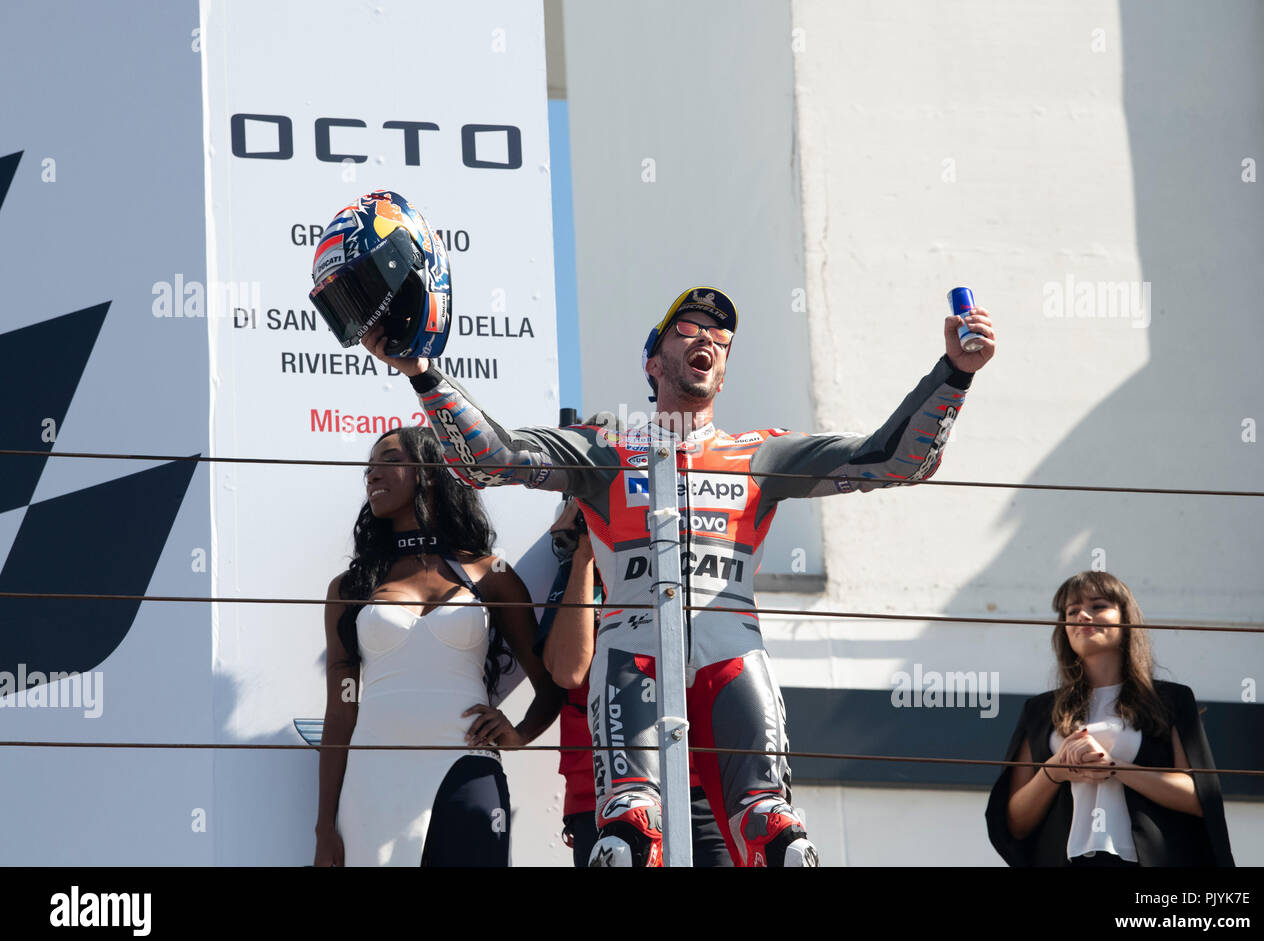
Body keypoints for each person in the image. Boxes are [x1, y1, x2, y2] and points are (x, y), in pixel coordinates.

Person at [355, 279, 994, 867]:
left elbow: (892, 462)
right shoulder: (604, 449)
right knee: (628, 832)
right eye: (688, 329)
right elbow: (492, 459)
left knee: (777, 833)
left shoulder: (760, 453)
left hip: (730, 654)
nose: (708, 340)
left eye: (721, 337)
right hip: (632, 652)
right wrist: (421, 369)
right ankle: (629, 828)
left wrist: (955, 375)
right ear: (653, 362)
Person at [313, 427, 564, 866]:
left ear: (429, 473)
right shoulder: (351, 587)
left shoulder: (491, 573)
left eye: (389, 461)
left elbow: (552, 681)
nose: (372, 474)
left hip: (468, 770)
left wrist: (520, 734)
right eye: (369, 467)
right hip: (375, 782)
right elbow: (341, 711)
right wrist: (323, 827)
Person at [985, 570, 1235, 866]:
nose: (1083, 616)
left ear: (1126, 618)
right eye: (1072, 610)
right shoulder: (1039, 710)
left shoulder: (1170, 700)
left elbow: (1198, 798)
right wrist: (1055, 768)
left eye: (1098, 606)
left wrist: (1113, 767)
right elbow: (1015, 824)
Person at [540, 495, 732, 866]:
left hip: (695, 784)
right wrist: (584, 556)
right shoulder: (576, 578)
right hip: (605, 790)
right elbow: (569, 671)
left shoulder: (683, 574)